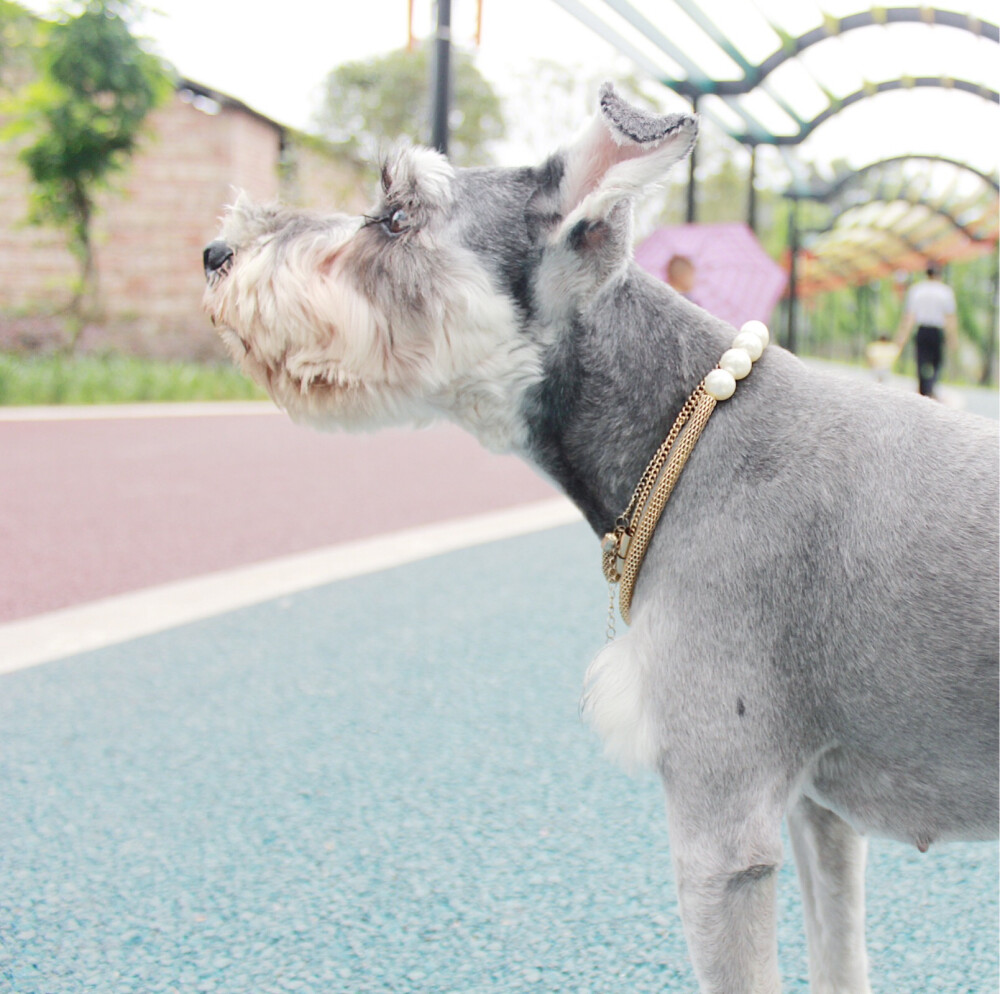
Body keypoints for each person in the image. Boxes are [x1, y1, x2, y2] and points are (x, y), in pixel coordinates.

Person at [893, 262, 958, 398]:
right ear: (939, 274)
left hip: (922, 331)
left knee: (921, 360)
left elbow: (910, 317)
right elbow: (950, 318)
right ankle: (931, 386)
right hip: (936, 331)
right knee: (936, 361)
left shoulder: (917, 290)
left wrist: (901, 338)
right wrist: (952, 338)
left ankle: (923, 389)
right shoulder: (945, 291)